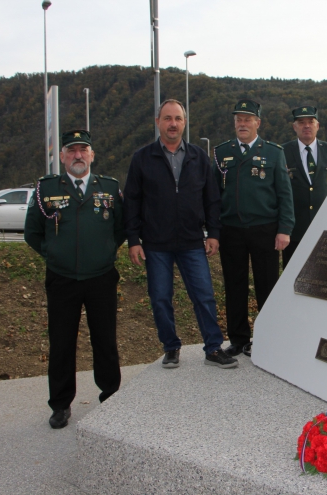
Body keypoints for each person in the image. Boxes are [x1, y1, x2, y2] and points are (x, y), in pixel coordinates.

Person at [123, 99, 237, 370]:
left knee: (204, 296)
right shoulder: (142, 157)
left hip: (191, 240)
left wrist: (213, 233)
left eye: (177, 118)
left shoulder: (199, 156)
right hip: (155, 243)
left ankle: (212, 348)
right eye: (167, 118)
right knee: (161, 297)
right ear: (158, 122)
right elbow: (132, 201)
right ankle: (171, 347)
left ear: (184, 123)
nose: (172, 123)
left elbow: (211, 199)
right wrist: (133, 240)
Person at [24, 129, 125, 429]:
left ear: (93, 155)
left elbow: (120, 228)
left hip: (101, 277)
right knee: (62, 343)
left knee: (105, 340)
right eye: (72, 150)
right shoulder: (45, 189)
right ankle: (60, 405)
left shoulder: (109, 187)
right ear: (63, 156)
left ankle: (110, 395)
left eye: (84, 150)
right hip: (62, 278)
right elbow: (33, 232)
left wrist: (105, 251)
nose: (78, 155)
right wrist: (54, 253)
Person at [214, 99, 294, 357]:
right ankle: (238, 339)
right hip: (231, 230)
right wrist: (213, 231)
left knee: (266, 285)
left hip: (265, 229)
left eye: (248, 119)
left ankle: (268, 336)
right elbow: (214, 195)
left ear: (258, 123)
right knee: (234, 285)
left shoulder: (273, 152)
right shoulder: (221, 152)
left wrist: (285, 228)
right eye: (238, 119)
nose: (242, 123)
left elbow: (284, 194)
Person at [282, 106, 327, 267]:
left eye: (311, 122)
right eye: (301, 122)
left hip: (325, 229)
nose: (306, 126)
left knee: (324, 276)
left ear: (318, 126)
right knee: (292, 276)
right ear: (294, 127)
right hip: (294, 231)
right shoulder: (282, 152)